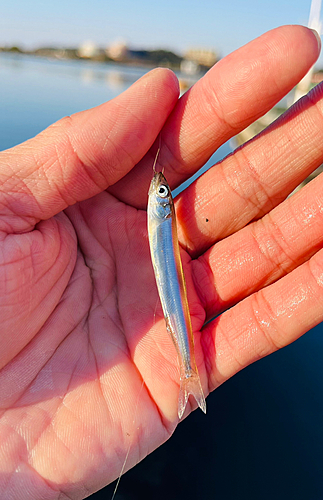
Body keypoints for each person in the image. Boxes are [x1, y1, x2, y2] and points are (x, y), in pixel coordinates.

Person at [0, 24, 322, 498]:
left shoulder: (160, 209)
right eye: (161, 192)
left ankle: (188, 368)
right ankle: (187, 369)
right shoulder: (159, 210)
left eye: (162, 193)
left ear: (162, 205)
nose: (159, 193)